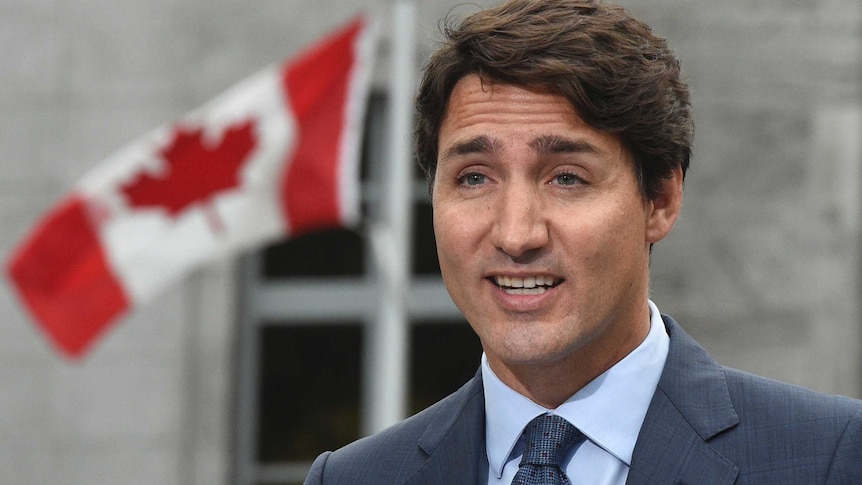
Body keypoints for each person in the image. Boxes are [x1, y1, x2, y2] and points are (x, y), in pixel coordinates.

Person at [304, 0, 862, 483]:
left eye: (566, 177)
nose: (516, 234)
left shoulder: (831, 457)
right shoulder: (353, 478)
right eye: (475, 177)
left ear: (661, 200)